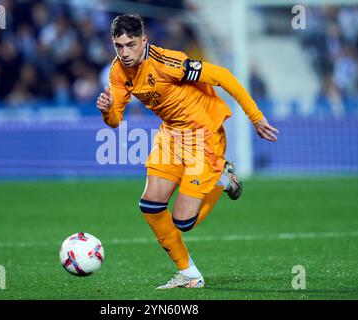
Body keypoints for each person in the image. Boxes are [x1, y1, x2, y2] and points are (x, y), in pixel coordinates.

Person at [96, 14, 278, 289]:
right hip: (171, 134)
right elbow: (115, 120)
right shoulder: (118, 72)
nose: (125, 52)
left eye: (131, 45)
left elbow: (223, 76)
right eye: (118, 46)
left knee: (183, 221)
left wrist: (256, 117)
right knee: (150, 205)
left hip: (203, 136)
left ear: (144, 40)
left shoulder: (168, 63)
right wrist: (107, 109)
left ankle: (223, 179)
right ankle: (190, 273)